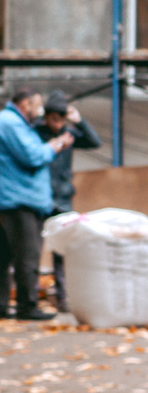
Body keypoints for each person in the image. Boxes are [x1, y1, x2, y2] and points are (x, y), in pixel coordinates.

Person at [0, 88, 73, 320]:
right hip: (19, 202)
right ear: (24, 104)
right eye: (37, 106)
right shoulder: (11, 123)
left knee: (5, 256)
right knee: (27, 256)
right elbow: (32, 156)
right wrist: (55, 145)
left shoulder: (16, 124)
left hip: (15, 200)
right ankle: (27, 306)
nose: (39, 111)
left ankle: (3, 306)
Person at [36, 90, 103, 312]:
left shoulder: (70, 133)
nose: (57, 124)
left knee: (62, 249)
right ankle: (32, 296)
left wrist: (80, 120)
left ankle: (63, 297)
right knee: (33, 248)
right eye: (53, 119)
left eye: (61, 119)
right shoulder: (36, 132)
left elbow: (94, 141)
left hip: (63, 197)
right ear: (46, 117)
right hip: (39, 196)